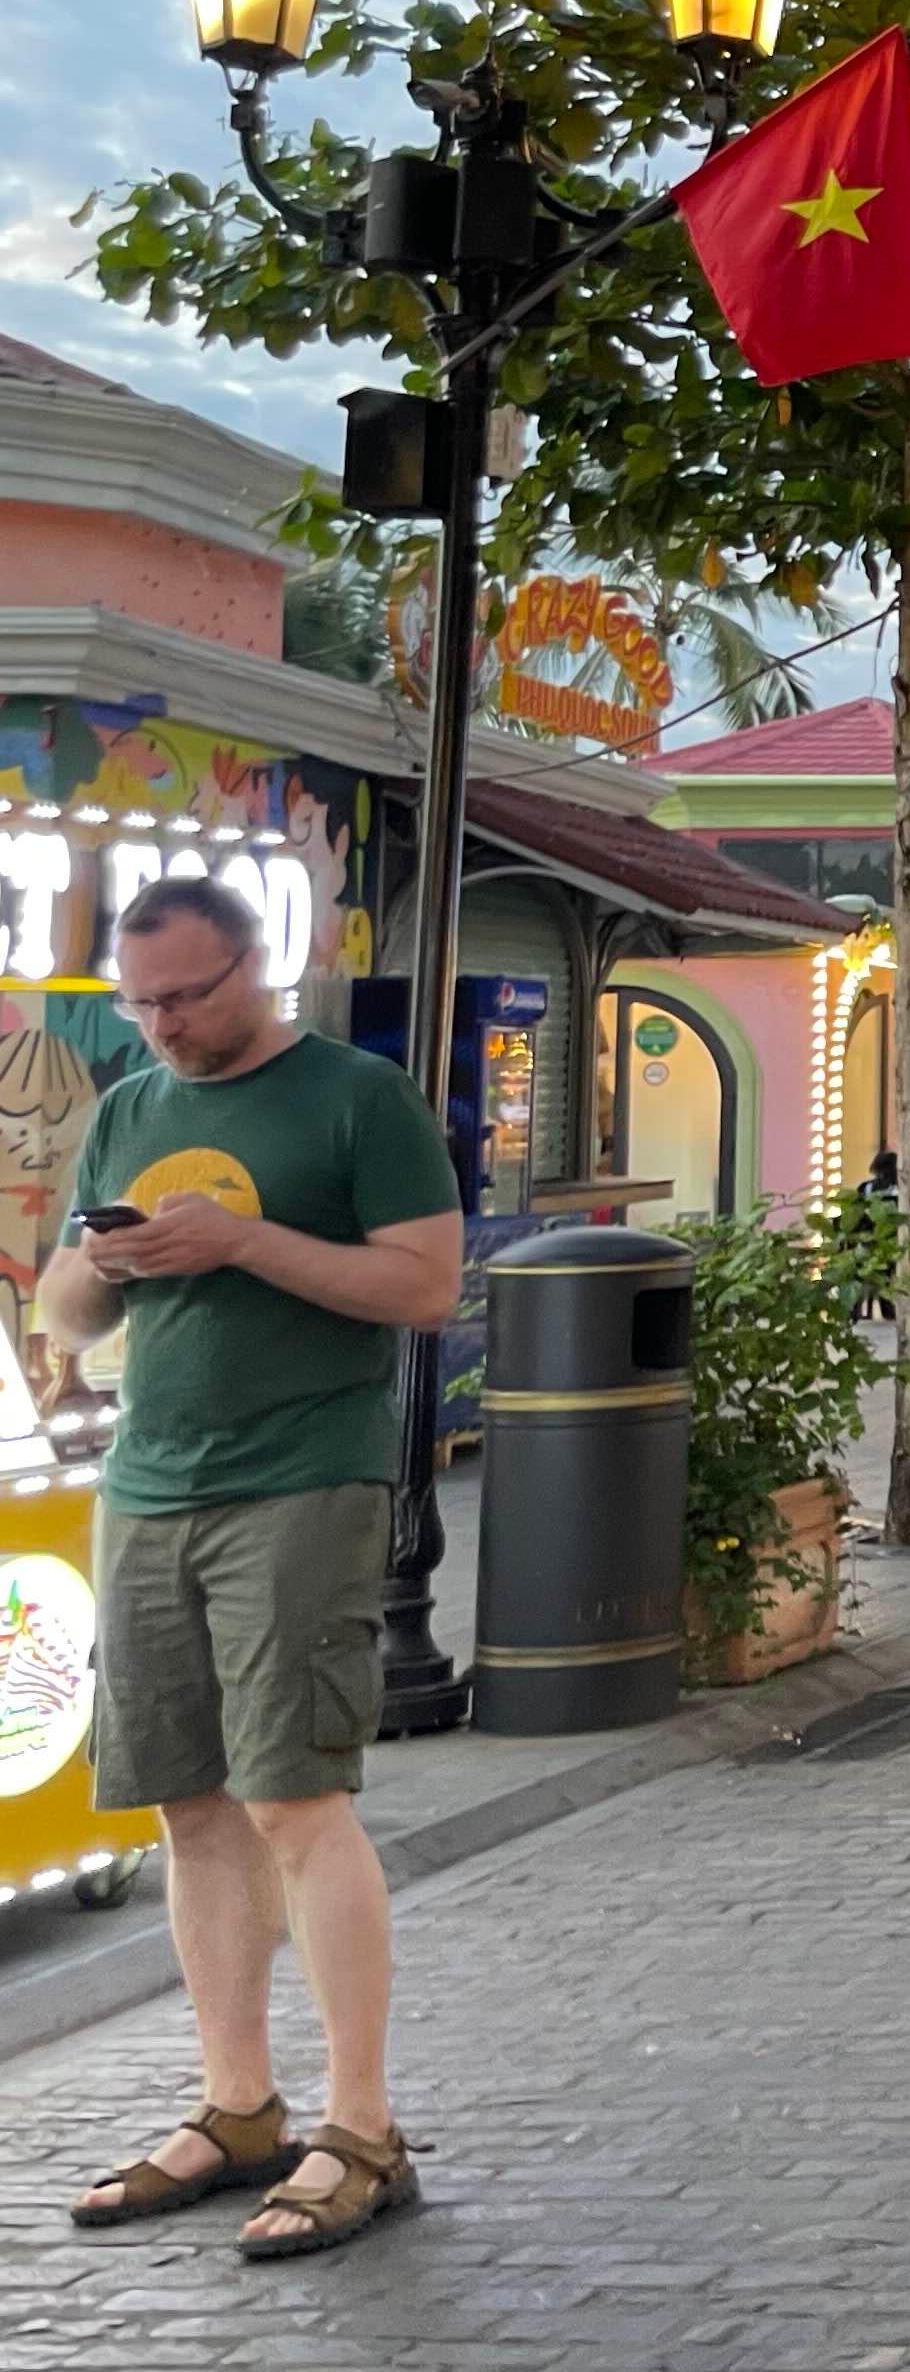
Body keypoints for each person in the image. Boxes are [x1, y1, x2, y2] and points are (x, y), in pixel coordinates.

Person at [38, 879, 459, 2259]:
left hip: (304, 1478)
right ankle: (238, 2109)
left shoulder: (358, 1099)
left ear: (255, 964)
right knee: (190, 1802)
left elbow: (424, 1288)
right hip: (151, 1481)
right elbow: (64, 1308)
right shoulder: (129, 1107)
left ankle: (364, 2128)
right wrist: (109, 1269)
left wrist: (241, 1243)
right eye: (140, 1002)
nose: (162, 1024)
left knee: (294, 1799)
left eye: (186, 995)